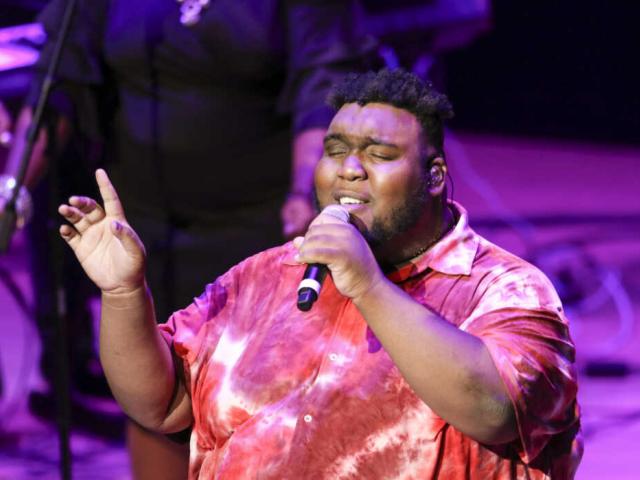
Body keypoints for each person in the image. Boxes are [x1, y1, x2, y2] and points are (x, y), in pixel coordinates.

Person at [57, 69, 582, 479]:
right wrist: (124, 292)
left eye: (379, 154)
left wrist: (368, 286)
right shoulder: (264, 277)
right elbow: (160, 404)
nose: (349, 169)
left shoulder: (504, 290)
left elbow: (493, 409)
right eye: (336, 151)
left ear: (435, 177)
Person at [0, 0, 374, 476]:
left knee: (259, 409)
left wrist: (307, 192)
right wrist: (12, 194)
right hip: (145, 235)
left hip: (264, 233)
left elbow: (324, 84)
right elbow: (60, 82)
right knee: (157, 399)